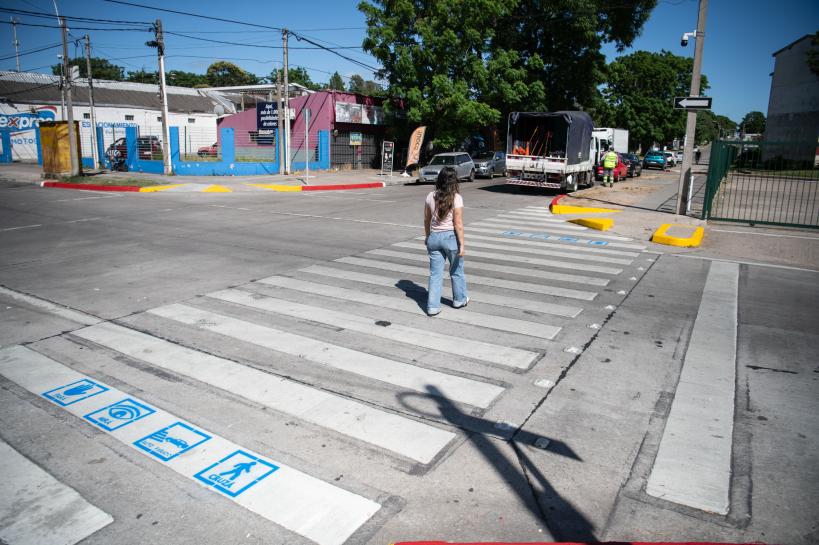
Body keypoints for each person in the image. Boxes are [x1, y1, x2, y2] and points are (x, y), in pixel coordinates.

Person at [424, 167, 468, 316]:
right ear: (454, 181)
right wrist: (462, 244)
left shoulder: (430, 196)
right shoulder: (456, 198)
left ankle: (432, 307)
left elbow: (427, 219)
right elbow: (458, 223)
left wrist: (427, 236)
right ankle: (459, 300)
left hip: (434, 237)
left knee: (435, 274)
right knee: (456, 271)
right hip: (450, 239)